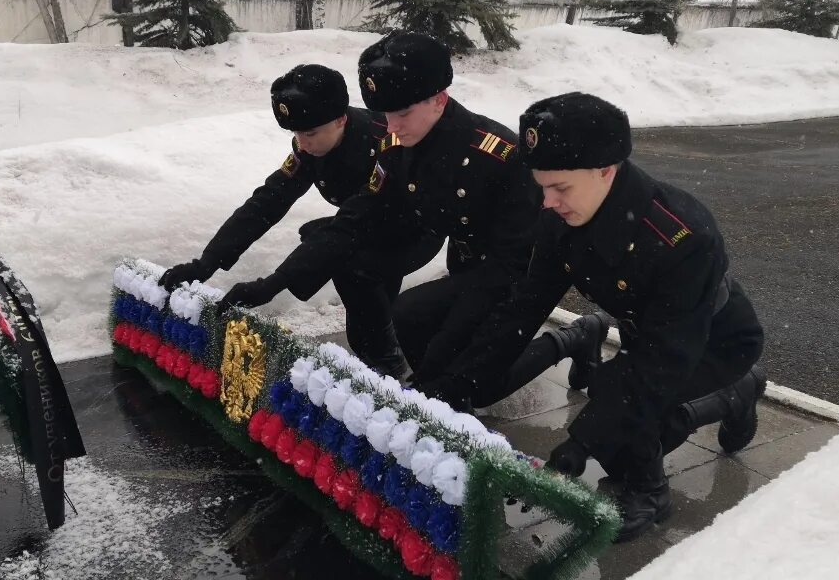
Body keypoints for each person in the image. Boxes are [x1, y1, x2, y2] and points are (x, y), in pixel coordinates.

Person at [416, 92, 766, 542]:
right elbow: (522, 309)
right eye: (542, 186)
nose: (547, 201)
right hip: (649, 333)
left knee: (624, 419)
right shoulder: (560, 217)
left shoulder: (680, 235)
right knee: (619, 405)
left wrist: (584, 439)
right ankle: (714, 405)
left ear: (606, 169)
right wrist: (451, 385)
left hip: (715, 340)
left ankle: (654, 488)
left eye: (560, 187)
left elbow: (664, 360)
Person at [218, 32, 608, 386]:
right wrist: (272, 283)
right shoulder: (397, 147)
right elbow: (353, 220)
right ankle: (449, 383)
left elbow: (508, 267)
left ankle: (575, 335)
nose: (391, 126)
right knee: (413, 326)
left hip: (522, 273)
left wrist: (442, 356)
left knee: (476, 380)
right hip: (470, 262)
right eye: (386, 115)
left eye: (402, 114)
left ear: (439, 99)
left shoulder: (498, 156)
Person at [158, 64, 437, 376]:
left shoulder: (384, 144)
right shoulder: (311, 144)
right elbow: (267, 202)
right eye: (296, 134)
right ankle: (384, 351)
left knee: (350, 266)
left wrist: (273, 284)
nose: (302, 143)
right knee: (347, 278)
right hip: (368, 224)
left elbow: (350, 227)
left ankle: (391, 363)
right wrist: (205, 263)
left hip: (416, 227)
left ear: (341, 119)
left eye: (310, 133)